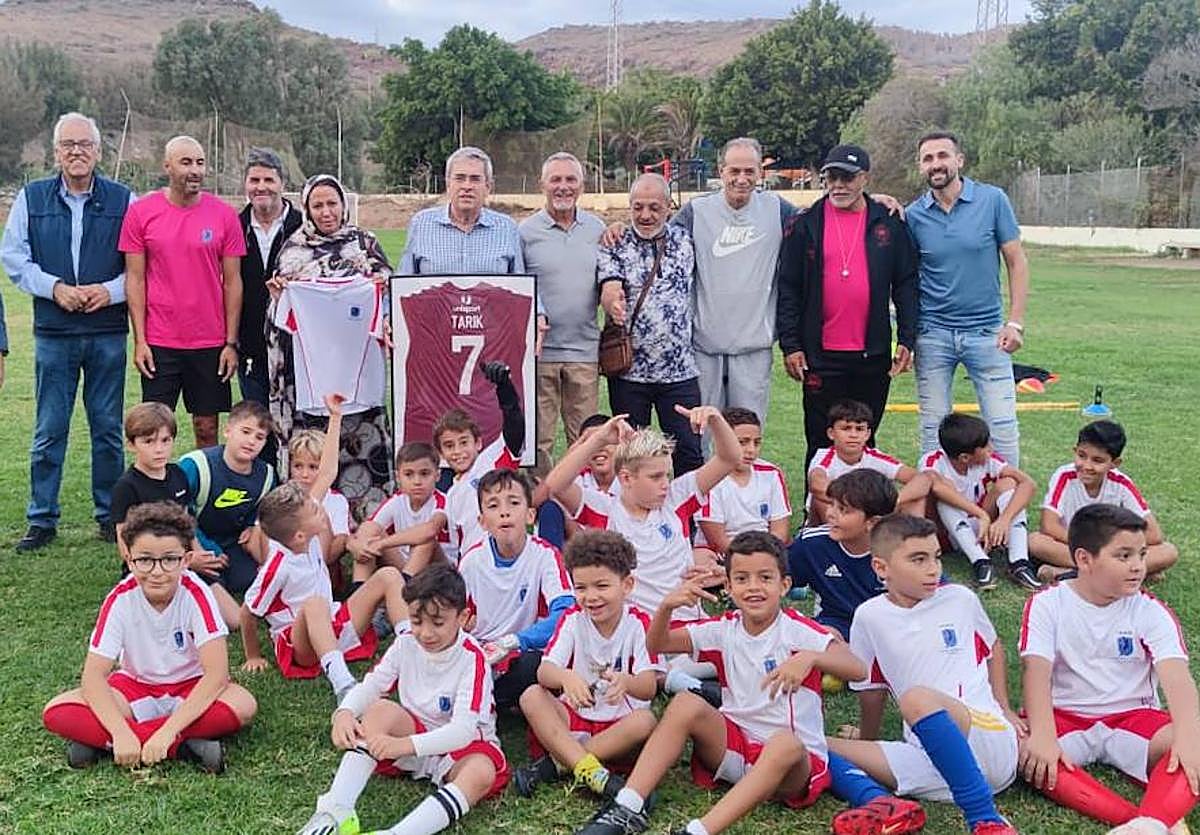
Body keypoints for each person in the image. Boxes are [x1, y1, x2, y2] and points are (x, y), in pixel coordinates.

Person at [573, 531, 865, 835]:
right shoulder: (723, 628)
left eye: (765, 578)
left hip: (789, 770)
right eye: (742, 578)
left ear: (785, 585)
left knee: (785, 743)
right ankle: (628, 806)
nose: (753, 587)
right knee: (686, 702)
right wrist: (666, 608)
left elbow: (857, 668)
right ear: (728, 586)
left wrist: (810, 658)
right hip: (735, 748)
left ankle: (699, 831)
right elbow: (658, 644)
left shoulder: (798, 630)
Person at [826, 514, 1022, 835]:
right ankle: (882, 804)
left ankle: (986, 820)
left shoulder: (960, 598)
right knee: (804, 742)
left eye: (936, 557)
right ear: (881, 568)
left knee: (916, 697)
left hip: (987, 737)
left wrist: (1005, 708)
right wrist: (867, 739)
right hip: (928, 758)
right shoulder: (869, 616)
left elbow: (994, 648)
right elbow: (871, 689)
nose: (934, 569)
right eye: (919, 559)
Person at [1018, 504, 1200, 830]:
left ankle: (1149, 825)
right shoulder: (1048, 603)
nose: (1138, 567)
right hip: (1066, 717)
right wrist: (1043, 735)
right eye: (1124, 556)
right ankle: (1140, 823)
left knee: (1194, 739)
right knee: (1020, 750)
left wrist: (1189, 738)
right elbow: (1036, 674)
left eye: (1142, 555)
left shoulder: (1150, 610)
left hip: (1134, 718)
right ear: (1084, 559)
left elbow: (1178, 681)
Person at [1, 112, 134, 551]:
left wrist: (109, 291)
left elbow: (139, 265)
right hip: (54, 333)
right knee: (49, 430)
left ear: (98, 151)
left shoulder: (123, 200)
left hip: (106, 332)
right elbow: (14, 257)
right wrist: (54, 288)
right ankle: (41, 518)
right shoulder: (32, 197)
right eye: (67, 145)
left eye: (84, 144)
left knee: (108, 430)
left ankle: (109, 514)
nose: (76, 152)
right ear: (56, 151)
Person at [41, 502, 257, 772]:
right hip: (134, 687)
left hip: (190, 686)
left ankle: (110, 742)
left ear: (187, 560)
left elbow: (216, 674)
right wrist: (120, 732)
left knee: (244, 705)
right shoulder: (120, 599)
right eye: (145, 560)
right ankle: (183, 747)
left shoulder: (197, 595)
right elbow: (93, 677)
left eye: (169, 559)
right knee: (57, 711)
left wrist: (167, 730)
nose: (157, 571)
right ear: (130, 560)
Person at [296, 564, 508, 835]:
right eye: (417, 621)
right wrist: (345, 712)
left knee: (481, 772)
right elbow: (372, 686)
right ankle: (335, 811)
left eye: (438, 623)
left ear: (463, 617)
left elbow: (463, 731)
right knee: (380, 710)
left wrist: (403, 745)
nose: (426, 633)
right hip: (411, 735)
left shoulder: (472, 658)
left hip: (461, 750)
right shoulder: (407, 641)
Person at [776, 144, 918, 470]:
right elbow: (789, 287)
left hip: (872, 353)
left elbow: (907, 283)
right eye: (831, 177)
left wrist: (908, 338)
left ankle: (863, 510)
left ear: (864, 178)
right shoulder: (806, 224)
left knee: (863, 437)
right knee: (821, 437)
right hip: (820, 354)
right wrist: (791, 345)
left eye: (847, 177)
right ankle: (817, 513)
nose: (838, 185)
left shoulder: (889, 222)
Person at [267, 173, 394, 522]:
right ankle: (315, 530)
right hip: (312, 377)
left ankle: (368, 527)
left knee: (364, 452)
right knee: (315, 457)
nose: (326, 212)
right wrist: (281, 297)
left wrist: (383, 306)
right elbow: (278, 319)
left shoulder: (365, 244)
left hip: (359, 370)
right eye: (318, 205)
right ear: (307, 209)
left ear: (344, 205)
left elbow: (390, 298)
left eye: (332, 203)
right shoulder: (293, 251)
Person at [544, 409, 738, 624]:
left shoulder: (676, 498)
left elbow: (729, 458)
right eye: (655, 477)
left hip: (685, 622)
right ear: (626, 478)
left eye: (667, 474)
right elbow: (554, 485)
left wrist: (716, 420)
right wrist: (599, 439)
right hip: (635, 630)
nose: (665, 483)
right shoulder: (606, 511)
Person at [906, 132, 1029, 465]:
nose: (936, 164)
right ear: (920, 166)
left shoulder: (992, 200)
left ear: (959, 160)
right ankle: (931, 510)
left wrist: (1015, 323)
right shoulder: (914, 215)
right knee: (933, 429)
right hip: (933, 336)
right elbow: (905, 279)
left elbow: (1016, 261)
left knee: (1002, 427)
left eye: (943, 156)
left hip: (987, 334)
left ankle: (1007, 510)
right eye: (928, 158)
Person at [515, 529, 660, 800]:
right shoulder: (572, 618)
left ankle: (559, 765)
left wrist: (626, 681)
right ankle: (594, 774)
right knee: (531, 696)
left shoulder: (638, 623)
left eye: (602, 586)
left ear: (627, 585)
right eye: (581, 587)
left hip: (617, 726)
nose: (591, 596)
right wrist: (566, 677)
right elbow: (544, 672)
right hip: (574, 720)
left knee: (646, 721)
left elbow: (649, 686)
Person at [121, 135, 244, 450]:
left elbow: (233, 282)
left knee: (207, 429)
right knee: (155, 431)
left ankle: (205, 495)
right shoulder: (141, 213)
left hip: (210, 343)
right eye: (186, 162)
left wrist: (230, 343)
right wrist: (141, 340)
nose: (195, 170)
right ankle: (156, 497)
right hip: (160, 342)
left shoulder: (224, 215)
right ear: (167, 166)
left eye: (200, 162)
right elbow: (135, 279)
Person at [240, 481, 408, 701]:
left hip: (335, 622)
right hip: (302, 644)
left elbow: (327, 471)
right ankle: (344, 684)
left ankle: (410, 648)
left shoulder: (307, 534)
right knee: (314, 604)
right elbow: (247, 611)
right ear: (299, 535)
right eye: (316, 510)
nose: (322, 509)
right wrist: (252, 656)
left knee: (389, 576)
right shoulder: (279, 565)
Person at [671, 137, 794, 437]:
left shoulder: (778, 210)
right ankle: (702, 486)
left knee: (747, 435)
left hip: (753, 347)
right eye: (734, 170)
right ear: (721, 170)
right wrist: (620, 229)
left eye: (749, 171)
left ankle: (746, 486)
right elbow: (657, 240)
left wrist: (875, 201)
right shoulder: (695, 212)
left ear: (760, 173)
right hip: (704, 347)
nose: (742, 179)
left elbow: (825, 221)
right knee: (700, 434)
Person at [598, 173, 703, 476]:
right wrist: (613, 303)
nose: (645, 215)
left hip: (679, 371)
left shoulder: (686, 239)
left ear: (669, 207)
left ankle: (689, 520)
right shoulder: (615, 241)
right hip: (631, 372)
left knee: (688, 451)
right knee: (632, 455)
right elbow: (609, 286)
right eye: (638, 207)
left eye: (654, 207)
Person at [458, 469, 574, 711]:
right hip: (483, 652)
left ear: (530, 514)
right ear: (482, 521)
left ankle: (492, 700)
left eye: (514, 502)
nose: (504, 511)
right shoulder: (471, 561)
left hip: (522, 649)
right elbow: (453, 616)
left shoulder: (545, 555)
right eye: (493, 505)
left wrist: (515, 641)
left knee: (539, 664)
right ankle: (494, 698)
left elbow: (566, 614)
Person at [520, 152, 606, 473]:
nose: (563, 187)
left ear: (582, 186)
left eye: (570, 180)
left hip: (584, 351)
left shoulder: (598, 229)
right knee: (539, 439)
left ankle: (580, 505)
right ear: (543, 184)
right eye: (556, 179)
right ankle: (539, 505)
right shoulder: (526, 233)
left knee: (585, 438)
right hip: (540, 354)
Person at [1030, 420, 1177, 580]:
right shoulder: (1064, 476)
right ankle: (1121, 573)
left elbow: (1154, 535)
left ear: (1114, 463)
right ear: (1075, 451)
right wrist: (1090, 545)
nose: (1086, 466)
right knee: (1035, 541)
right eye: (1081, 456)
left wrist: (1108, 546)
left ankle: (1071, 573)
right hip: (1074, 545)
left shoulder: (1121, 483)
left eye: (1097, 460)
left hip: (1111, 549)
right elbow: (1048, 525)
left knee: (1168, 552)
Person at [179, 399, 277, 626]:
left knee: (249, 578)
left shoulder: (266, 475)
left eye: (259, 437)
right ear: (227, 431)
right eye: (245, 432)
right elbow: (175, 514)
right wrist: (200, 549)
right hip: (192, 543)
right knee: (235, 622)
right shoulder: (196, 465)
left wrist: (253, 526)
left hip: (232, 544)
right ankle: (194, 583)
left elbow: (262, 511)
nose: (251, 441)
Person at [921, 413, 1041, 592]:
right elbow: (938, 489)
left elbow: (1028, 484)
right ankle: (980, 562)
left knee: (1008, 483)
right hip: (947, 533)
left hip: (982, 529)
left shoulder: (988, 460)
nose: (991, 448)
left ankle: (1019, 562)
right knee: (944, 495)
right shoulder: (933, 461)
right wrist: (981, 514)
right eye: (985, 446)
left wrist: (1004, 519)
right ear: (964, 458)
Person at [237, 147, 303, 465]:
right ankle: (263, 488)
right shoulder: (233, 226)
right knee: (258, 423)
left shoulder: (304, 228)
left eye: (268, 179)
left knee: (298, 421)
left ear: (282, 182)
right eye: (254, 180)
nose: (261, 187)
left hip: (297, 348)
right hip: (250, 346)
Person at [786, 469, 896, 642]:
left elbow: (937, 591)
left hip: (889, 630)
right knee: (819, 638)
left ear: (872, 522)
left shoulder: (900, 549)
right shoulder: (812, 544)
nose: (830, 513)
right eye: (831, 504)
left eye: (843, 510)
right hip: (836, 625)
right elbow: (776, 577)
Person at [437, 361, 525, 560]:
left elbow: (515, 426)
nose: (458, 451)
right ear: (441, 453)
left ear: (478, 443)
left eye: (464, 442)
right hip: (473, 570)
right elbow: (453, 550)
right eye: (449, 446)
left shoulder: (490, 461)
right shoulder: (448, 496)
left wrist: (505, 389)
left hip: (510, 560)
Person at [806, 399, 935, 524]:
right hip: (834, 522)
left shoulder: (875, 457)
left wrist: (891, 501)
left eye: (859, 429)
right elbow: (817, 485)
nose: (853, 435)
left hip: (868, 519)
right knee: (822, 499)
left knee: (916, 497)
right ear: (831, 433)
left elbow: (922, 479)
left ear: (867, 434)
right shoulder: (824, 457)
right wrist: (864, 505)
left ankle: (916, 542)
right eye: (846, 428)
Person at [696, 407, 791, 554]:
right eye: (742, 442)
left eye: (757, 442)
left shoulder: (771, 474)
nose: (751, 450)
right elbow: (717, 541)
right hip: (722, 555)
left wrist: (765, 556)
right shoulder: (707, 479)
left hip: (768, 551)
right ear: (720, 441)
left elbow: (780, 533)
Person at [353, 441, 452, 580]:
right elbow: (367, 528)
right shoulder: (397, 500)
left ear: (437, 476)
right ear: (398, 477)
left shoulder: (443, 501)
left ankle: (405, 594)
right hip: (405, 565)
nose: (417, 481)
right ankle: (359, 592)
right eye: (409, 474)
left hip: (441, 572)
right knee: (369, 530)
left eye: (424, 474)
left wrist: (381, 544)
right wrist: (357, 545)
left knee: (426, 540)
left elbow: (430, 530)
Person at [109, 402, 190, 559]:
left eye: (165, 440)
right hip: (144, 567)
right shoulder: (126, 487)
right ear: (131, 445)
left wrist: (196, 553)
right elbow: (124, 544)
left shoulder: (178, 474)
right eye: (149, 441)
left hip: (180, 561)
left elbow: (186, 526)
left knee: (217, 582)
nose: (159, 449)